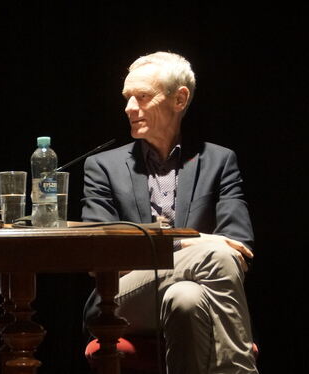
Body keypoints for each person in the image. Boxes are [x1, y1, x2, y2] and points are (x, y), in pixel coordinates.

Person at [82, 52, 258, 373]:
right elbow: (100, 256)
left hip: (198, 293)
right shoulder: (103, 167)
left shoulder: (219, 161)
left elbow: (239, 245)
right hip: (120, 300)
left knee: (185, 299)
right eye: (127, 97)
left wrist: (178, 247)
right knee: (215, 253)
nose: (129, 107)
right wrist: (195, 244)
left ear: (180, 99)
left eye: (143, 96)